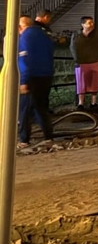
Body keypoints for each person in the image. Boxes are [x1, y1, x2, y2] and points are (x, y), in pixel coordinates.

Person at [17, 15, 55, 149]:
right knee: (41, 108)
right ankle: (48, 136)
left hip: (31, 77)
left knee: (25, 110)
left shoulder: (24, 38)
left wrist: (24, 81)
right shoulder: (45, 36)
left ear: (20, 27)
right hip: (46, 76)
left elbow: (24, 60)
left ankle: (24, 139)